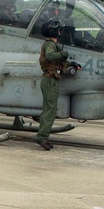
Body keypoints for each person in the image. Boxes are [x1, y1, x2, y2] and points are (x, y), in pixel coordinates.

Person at [34, 20, 68, 151]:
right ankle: (41, 137)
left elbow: (57, 62)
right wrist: (63, 54)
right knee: (49, 111)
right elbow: (49, 56)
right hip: (49, 80)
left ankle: (43, 137)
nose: (60, 32)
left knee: (50, 110)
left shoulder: (53, 45)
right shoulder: (50, 45)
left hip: (51, 80)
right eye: (58, 30)